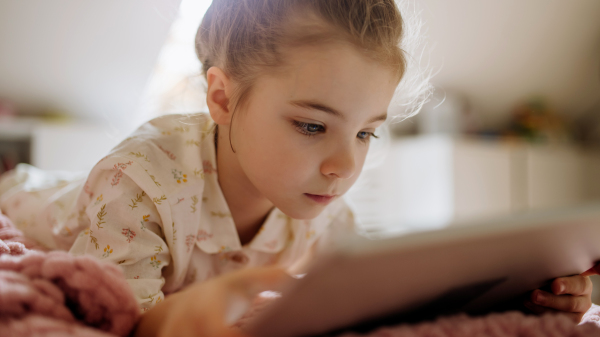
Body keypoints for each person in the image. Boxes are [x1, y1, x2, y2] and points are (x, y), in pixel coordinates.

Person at [0, 1, 595, 336]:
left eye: (366, 132)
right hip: (25, 196)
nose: (344, 166)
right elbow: (126, 320)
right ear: (223, 99)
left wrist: (522, 301)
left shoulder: (326, 218)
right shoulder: (139, 179)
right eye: (312, 126)